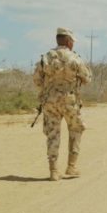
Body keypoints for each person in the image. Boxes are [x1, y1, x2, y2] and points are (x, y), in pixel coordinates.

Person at [33, 28, 92, 181]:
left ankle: (53, 171)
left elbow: (37, 80)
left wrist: (48, 90)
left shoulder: (45, 57)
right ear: (68, 41)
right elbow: (87, 78)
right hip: (70, 100)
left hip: (50, 101)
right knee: (77, 128)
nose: (73, 44)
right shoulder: (75, 58)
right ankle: (71, 166)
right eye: (72, 41)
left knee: (53, 134)